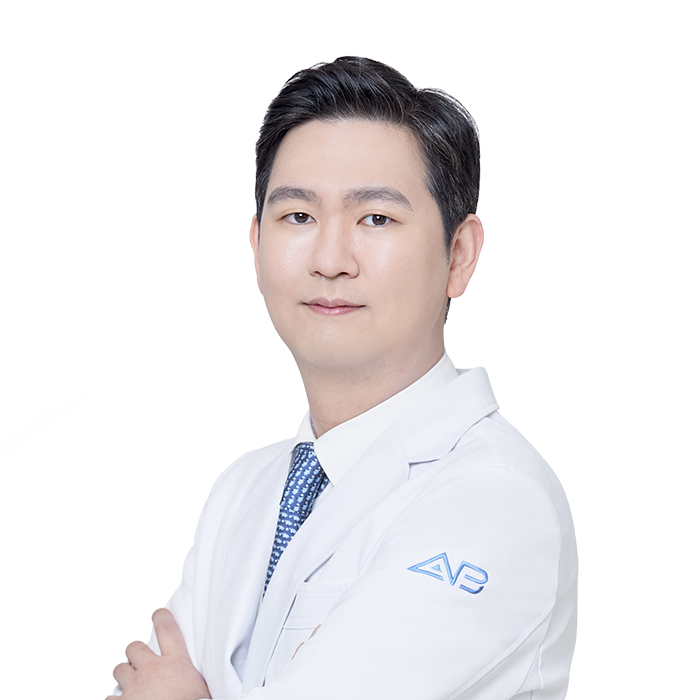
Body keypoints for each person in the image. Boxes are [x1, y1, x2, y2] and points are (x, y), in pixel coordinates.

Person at [108, 55, 578, 700]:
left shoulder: (497, 498)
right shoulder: (243, 491)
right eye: (298, 217)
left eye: (376, 218)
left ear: (458, 255)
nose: (330, 260)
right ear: (256, 246)